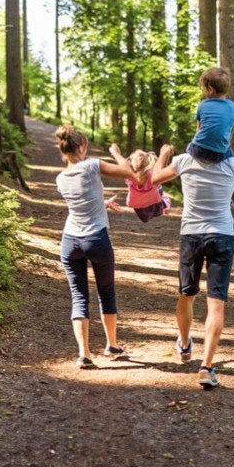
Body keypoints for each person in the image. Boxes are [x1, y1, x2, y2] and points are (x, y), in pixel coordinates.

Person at [152, 141, 234, 389]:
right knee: (216, 303)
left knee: (187, 295)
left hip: (192, 235)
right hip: (222, 236)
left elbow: (154, 179)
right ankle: (206, 367)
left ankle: (184, 345)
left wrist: (163, 155)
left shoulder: (184, 160)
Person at [53, 124, 134, 368]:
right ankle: (111, 345)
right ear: (81, 147)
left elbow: (82, 201)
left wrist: (103, 203)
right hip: (96, 239)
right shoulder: (92, 165)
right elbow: (128, 172)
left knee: (79, 296)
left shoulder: (60, 178)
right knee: (106, 292)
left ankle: (84, 354)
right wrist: (117, 153)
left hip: (70, 241)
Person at [188, 66, 234, 164]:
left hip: (199, 151)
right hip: (219, 155)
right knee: (230, 154)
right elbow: (229, 134)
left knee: (190, 147)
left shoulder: (203, 105)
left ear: (210, 89)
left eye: (204, 88)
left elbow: (198, 131)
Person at [106, 144, 171, 223]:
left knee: (158, 187)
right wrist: (165, 155)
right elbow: (162, 169)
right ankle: (166, 205)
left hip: (136, 205)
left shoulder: (130, 176)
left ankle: (164, 205)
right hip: (155, 204)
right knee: (160, 187)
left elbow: (123, 164)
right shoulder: (153, 176)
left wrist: (115, 153)